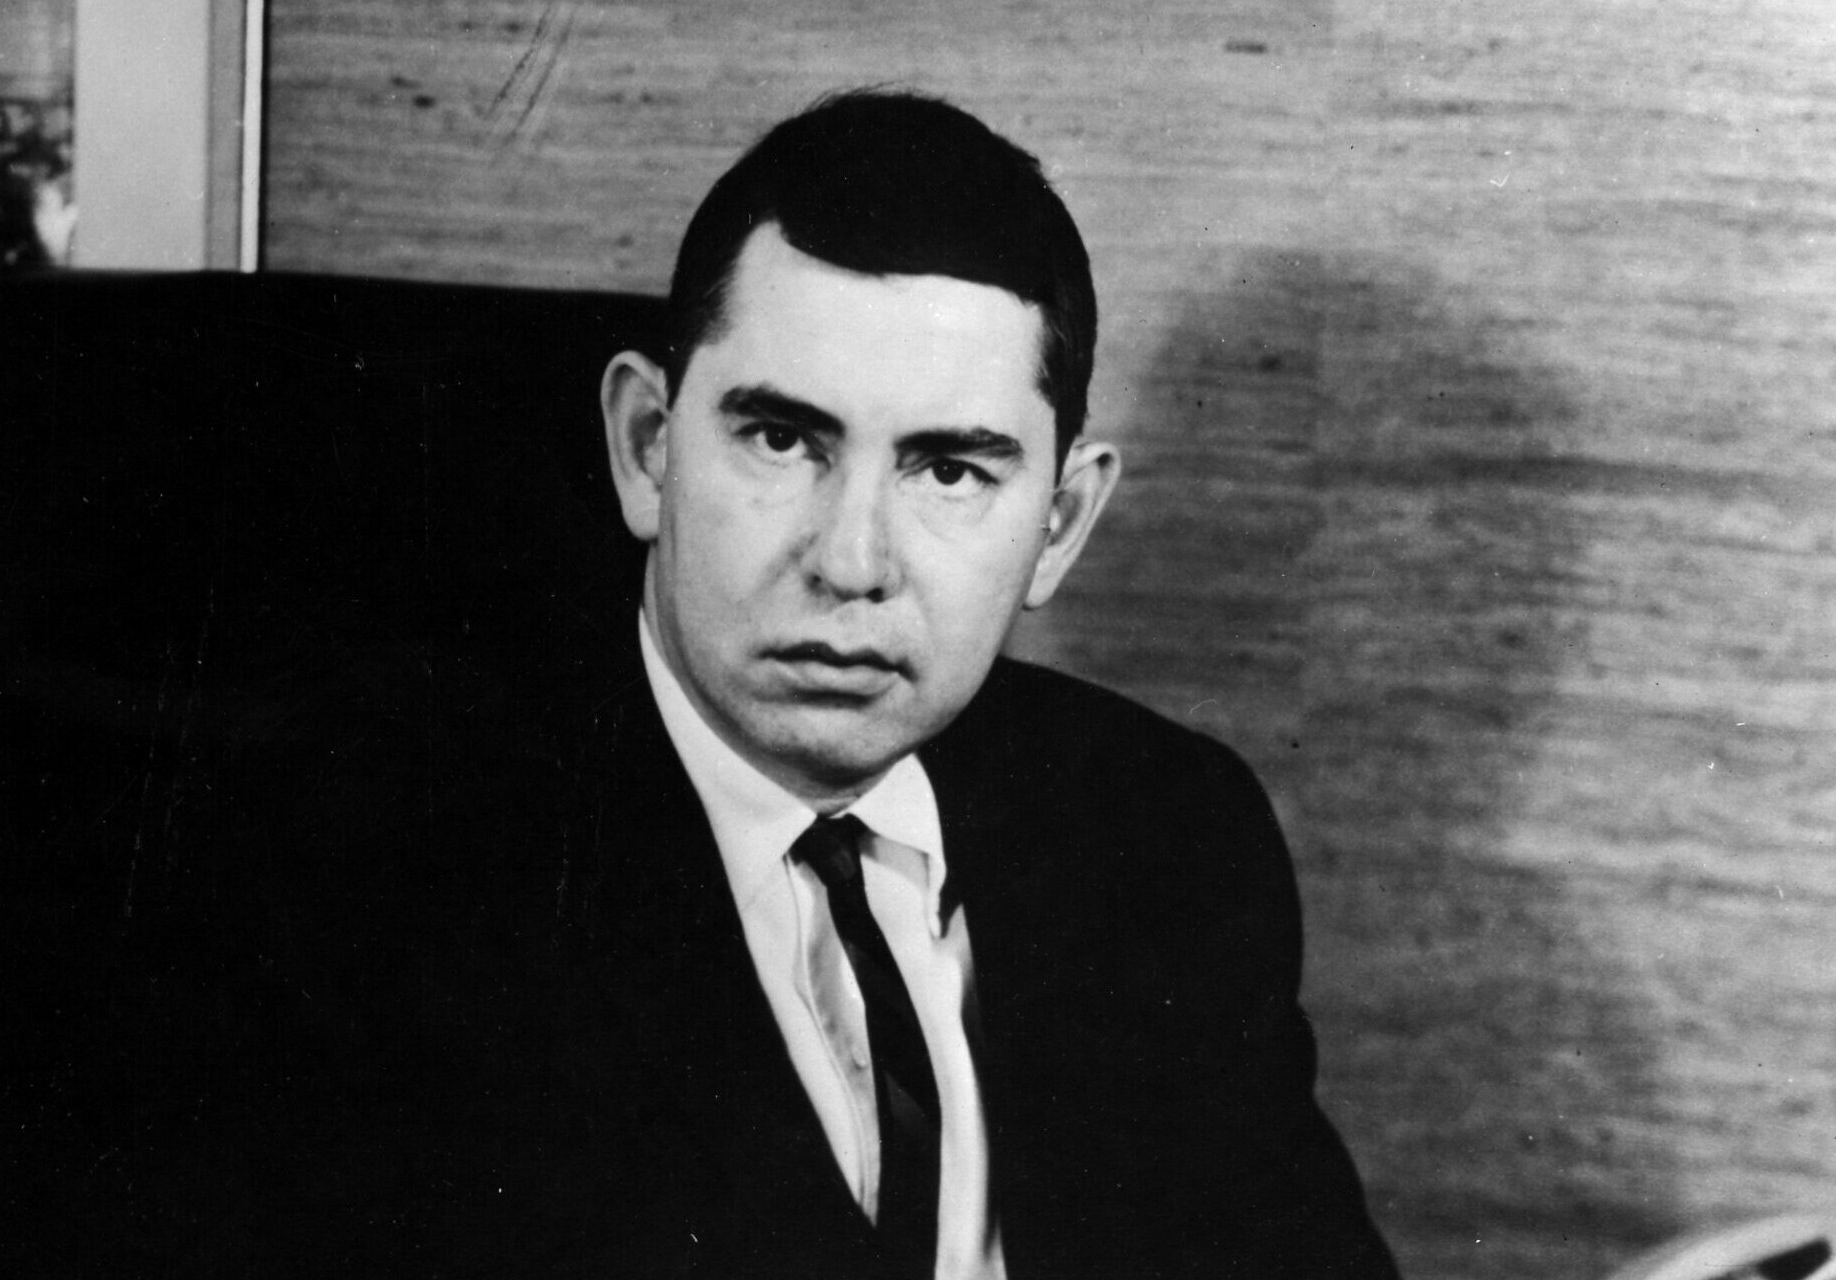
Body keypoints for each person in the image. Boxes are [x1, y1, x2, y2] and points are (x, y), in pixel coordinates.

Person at [447, 89, 1401, 1279]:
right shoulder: (366, 880)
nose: (851, 563)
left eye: (948, 469)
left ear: (1059, 525)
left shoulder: (1162, 834)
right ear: (647, 446)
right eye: (782, 440)